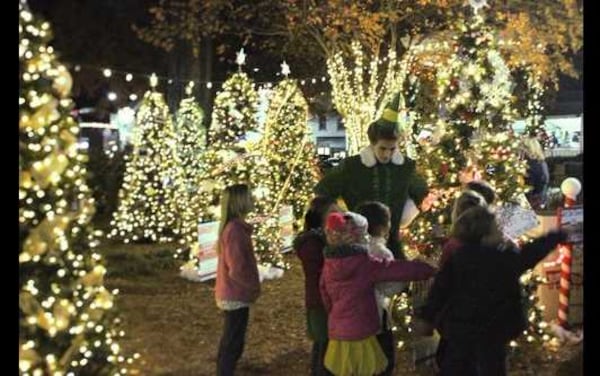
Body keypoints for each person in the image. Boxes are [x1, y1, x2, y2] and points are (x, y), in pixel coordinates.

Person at [415, 205, 568, 376]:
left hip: (461, 331)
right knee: (492, 367)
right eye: (497, 229)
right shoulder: (502, 259)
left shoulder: (458, 258)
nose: (501, 233)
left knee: (457, 366)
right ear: (485, 235)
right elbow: (529, 254)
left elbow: (439, 291)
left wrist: (427, 318)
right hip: (494, 331)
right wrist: (555, 236)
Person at [314, 93, 430, 260]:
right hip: (358, 244)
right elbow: (323, 191)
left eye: (392, 149)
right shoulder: (352, 167)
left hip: (392, 243)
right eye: (383, 148)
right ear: (373, 143)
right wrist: (340, 219)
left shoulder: (405, 168)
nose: (387, 154)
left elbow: (421, 192)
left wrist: (415, 206)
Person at [320, 211, 436, 376]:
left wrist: (333, 315)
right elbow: (396, 269)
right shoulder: (365, 264)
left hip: (339, 333)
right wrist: (427, 269)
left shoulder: (328, 265)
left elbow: (324, 294)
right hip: (362, 331)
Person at [355, 201, 406, 376]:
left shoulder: (352, 248)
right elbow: (389, 287)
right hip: (376, 315)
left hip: (352, 317)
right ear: (383, 227)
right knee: (383, 359)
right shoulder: (382, 253)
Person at [215, 184, 260, 376]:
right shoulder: (235, 231)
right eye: (249, 196)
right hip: (235, 294)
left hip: (234, 292)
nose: (253, 199)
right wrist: (252, 287)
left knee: (233, 338)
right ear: (240, 201)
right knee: (233, 341)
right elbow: (237, 267)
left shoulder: (235, 228)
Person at [294, 196, 340, 376]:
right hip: (320, 303)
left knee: (327, 346)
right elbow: (321, 273)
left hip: (329, 301)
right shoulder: (313, 243)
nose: (340, 217)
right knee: (323, 346)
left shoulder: (325, 239)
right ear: (320, 217)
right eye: (334, 213)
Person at [521, 136, 550, 210]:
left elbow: (528, 188)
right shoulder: (541, 162)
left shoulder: (528, 165)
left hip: (531, 202)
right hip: (541, 198)